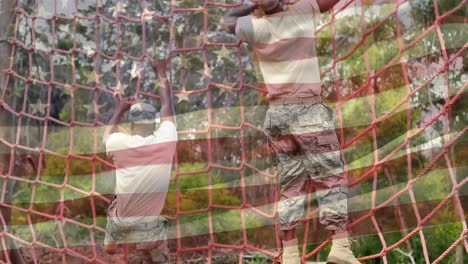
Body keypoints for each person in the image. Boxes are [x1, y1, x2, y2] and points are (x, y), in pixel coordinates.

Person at [223, 1, 360, 263]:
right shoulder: (302, 11)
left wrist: (251, 5)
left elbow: (227, 19)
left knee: (290, 185)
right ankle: (340, 247)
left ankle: (290, 254)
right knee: (330, 176)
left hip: (278, 116)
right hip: (308, 110)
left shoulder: (254, 27)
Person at [102, 58, 177, 263]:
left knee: (115, 203)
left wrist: (120, 109)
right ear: (153, 125)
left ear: (132, 126)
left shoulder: (119, 143)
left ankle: (112, 239)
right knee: (156, 252)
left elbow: (106, 136)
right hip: (148, 226)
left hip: (121, 219)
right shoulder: (166, 139)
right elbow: (166, 105)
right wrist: (161, 71)